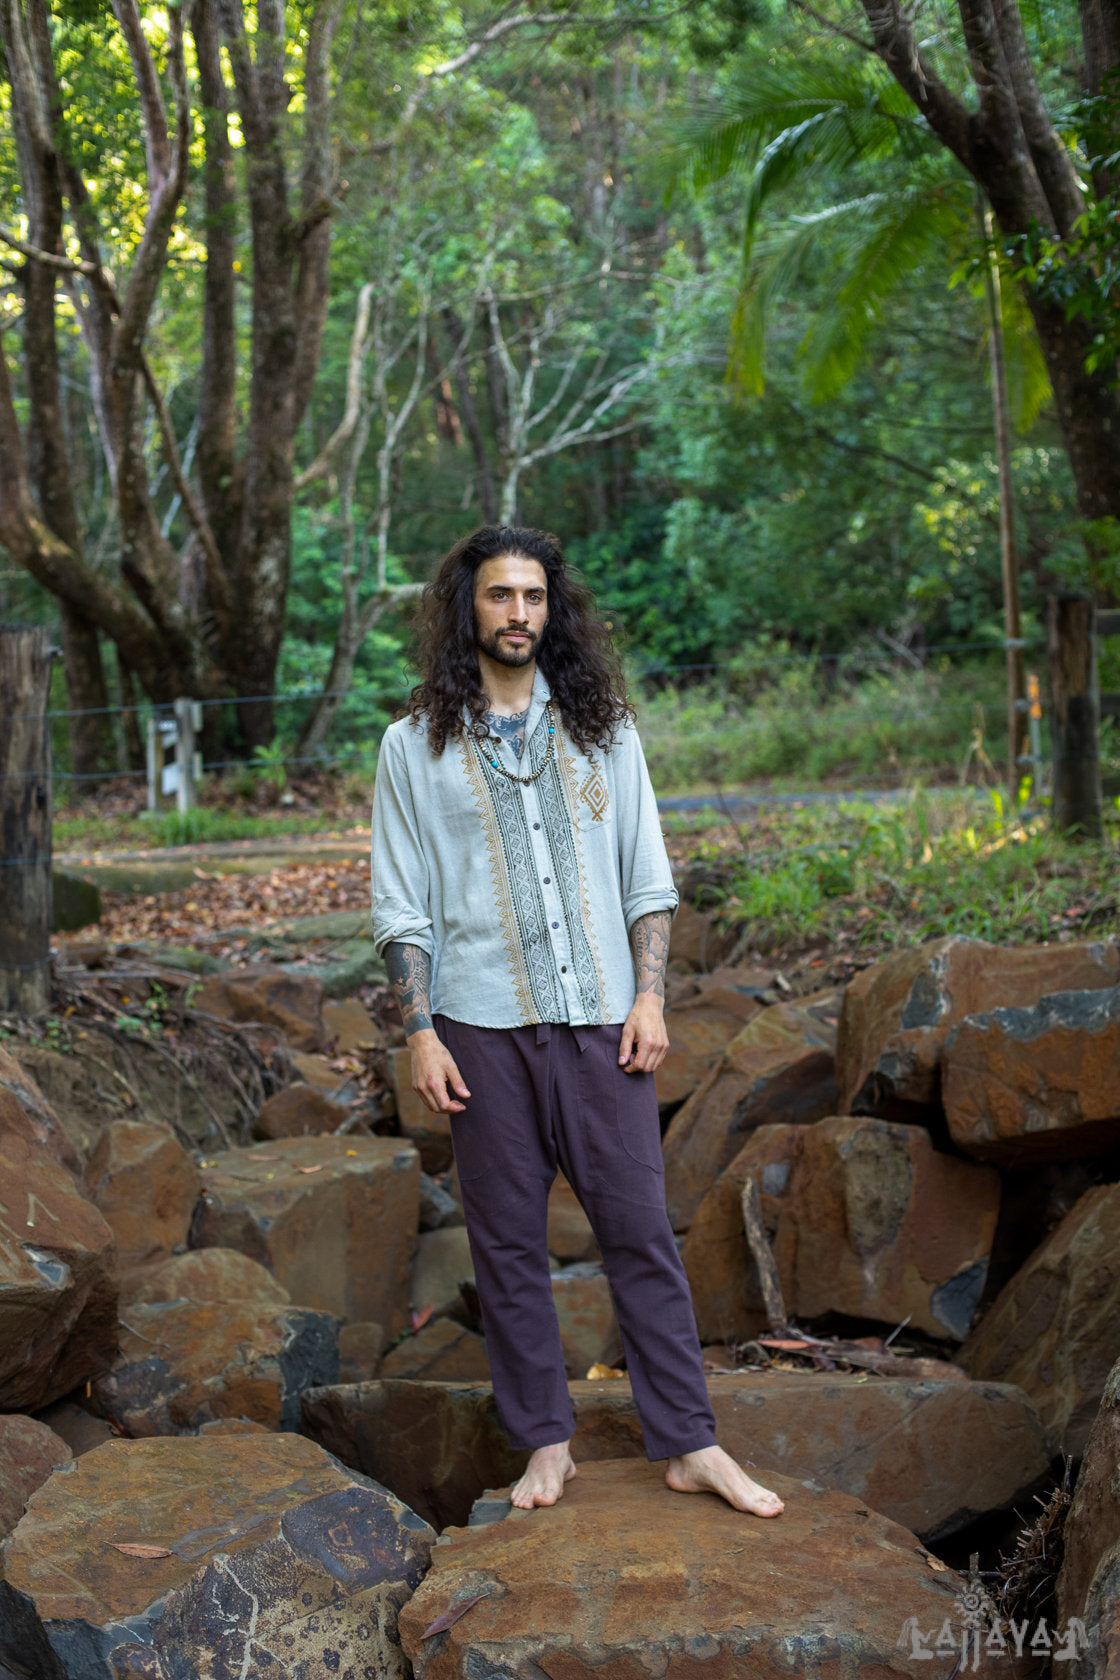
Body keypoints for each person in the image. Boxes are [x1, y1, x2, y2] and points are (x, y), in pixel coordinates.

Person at [370, 524, 783, 1518]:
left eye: (534, 597)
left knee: (639, 1232)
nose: (519, 613)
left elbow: (648, 879)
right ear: (465, 606)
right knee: (507, 1244)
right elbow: (400, 905)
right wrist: (420, 1029)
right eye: (500, 595)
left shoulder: (605, 730)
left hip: (604, 1020)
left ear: (551, 611)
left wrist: (650, 996)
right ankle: (545, 1445)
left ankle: (688, 1442)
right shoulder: (412, 746)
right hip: (477, 1027)